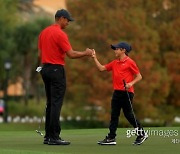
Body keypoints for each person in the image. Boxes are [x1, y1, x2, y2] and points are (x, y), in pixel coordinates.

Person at [38, 9, 93, 145]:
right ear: (61, 18)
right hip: (56, 69)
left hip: (45, 68)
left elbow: (41, 51)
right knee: (56, 103)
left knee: (50, 103)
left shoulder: (44, 32)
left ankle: (48, 136)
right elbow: (71, 54)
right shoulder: (60, 34)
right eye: (67, 20)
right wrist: (86, 53)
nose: (68, 23)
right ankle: (54, 137)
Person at [92, 42, 148, 145]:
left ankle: (142, 134)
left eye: (116, 49)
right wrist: (94, 58)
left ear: (123, 50)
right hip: (117, 92)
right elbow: (101, 68)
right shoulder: (114, 62)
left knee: (129, 115)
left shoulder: (130, 62)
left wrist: (130, 83)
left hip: (127, 92)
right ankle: (111, 138)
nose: (115, 50)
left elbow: (139, 76)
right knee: (114, 115)